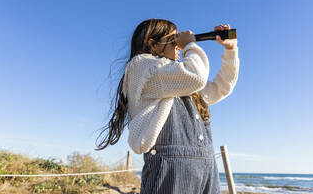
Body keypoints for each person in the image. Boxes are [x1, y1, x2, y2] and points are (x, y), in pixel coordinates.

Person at [96, 19, 240, 194]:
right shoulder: (141, 66)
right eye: (173, 40)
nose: (178, 45)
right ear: (153, 44)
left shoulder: (178, 79)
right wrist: (189, 45)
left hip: (207, 167)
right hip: (170, 170)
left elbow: (222, 87)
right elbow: (196, 76)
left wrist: (230, 50)